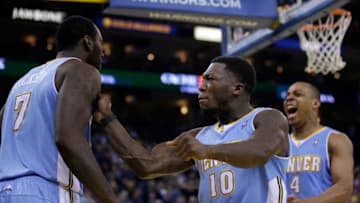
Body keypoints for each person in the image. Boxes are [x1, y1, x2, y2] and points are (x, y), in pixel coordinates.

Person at [95, 56, 290, 202]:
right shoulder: (200, 136)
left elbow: (260, 151)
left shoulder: (267, 118)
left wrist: (206, 151)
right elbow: (147, 165)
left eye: (210, 79)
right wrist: (108, 119)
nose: (201, 87)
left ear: (237, 89)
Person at [0, 16, 116, 202]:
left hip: (6, 190)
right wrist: (111, 198)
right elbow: (68, 139)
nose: (103, 53)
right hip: (47, 191)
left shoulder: (22, 81)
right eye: (101, 44)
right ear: (88, 42)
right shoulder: (81, 70)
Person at [283, 81, 354, 203]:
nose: (289, 98)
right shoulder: (280, 145)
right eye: (287, 95)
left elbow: (344, 188)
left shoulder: (334, 140)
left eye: (297, 94)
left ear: (315, 103)